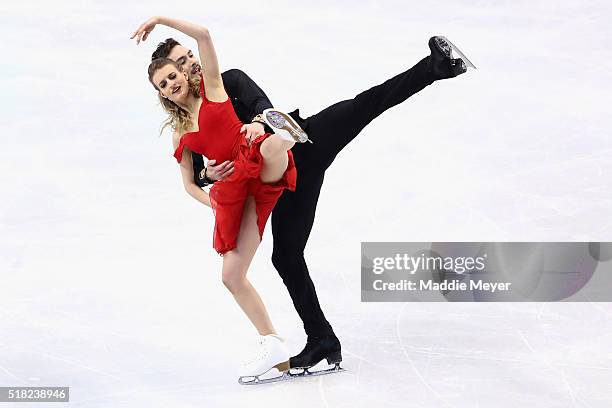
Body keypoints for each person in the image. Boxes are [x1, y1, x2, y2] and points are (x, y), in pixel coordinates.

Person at [141, 19, 474, 376]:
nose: (189, 63)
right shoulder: (191, 116)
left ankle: (436, 68)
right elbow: (199, 170)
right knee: (285, 257)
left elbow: (261, 104)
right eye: (181, 62)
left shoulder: (227, 81)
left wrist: (259, 121)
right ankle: (322, 340)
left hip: (301, 146)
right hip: (279, 188)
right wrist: (208, 176)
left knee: (363, 105)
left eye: (188, 56)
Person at [133, 16, 313, 383]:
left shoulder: (214, 88)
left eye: (174, 74)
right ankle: (273, 344)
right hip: (234, 195)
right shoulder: (179, 135)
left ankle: (285, 134)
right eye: (164, 84)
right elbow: (189, 185)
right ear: (162, 94)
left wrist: (159, 18)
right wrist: (212, 201)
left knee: (270, 149)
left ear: (184, 74)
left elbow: (203, 35)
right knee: (231, 275)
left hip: (254, 159)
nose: (172, 83)